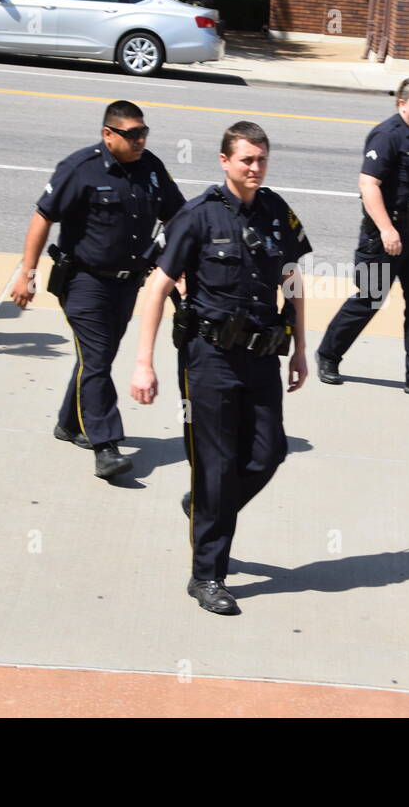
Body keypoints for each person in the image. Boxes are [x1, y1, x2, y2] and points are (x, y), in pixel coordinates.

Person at [130, 121, 311, 616]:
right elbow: (158, 287)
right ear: (224, 161)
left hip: (262, 356)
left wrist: (299, 348)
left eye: (261, 160)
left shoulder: (278, 213)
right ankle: (207, 575)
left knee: (269, 452)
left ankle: (205, 506)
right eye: (246, 160)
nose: (255, 168)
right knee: (216, 466)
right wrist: (143, 363)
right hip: (208, 358)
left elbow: (293, 280)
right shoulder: (198, 216)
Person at [10, 101, 185, 481]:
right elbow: (43, 216)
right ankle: (105, 445)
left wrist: (179, 266)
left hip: (127, 283)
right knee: (98, 359)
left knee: (96, 356)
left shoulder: (151, 168)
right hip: (84, 281)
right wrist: (27, 273)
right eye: (131, 134)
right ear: (108, 135)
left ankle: (68, 423)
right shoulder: (80, 168)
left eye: (144, 133)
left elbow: (177, 216)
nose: (140, 140)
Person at [315, 77, 409, 399]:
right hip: (384, 237)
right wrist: (387, 230)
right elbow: (368, 185)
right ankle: (328, 355)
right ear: (401, 103)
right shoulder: (387, 135)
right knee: (368, 300)